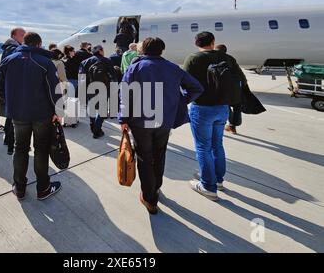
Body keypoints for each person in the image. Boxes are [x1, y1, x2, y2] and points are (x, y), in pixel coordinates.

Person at [119, 37, 203, 215]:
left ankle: (149, 198)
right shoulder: (173, 68)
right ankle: (155, 188)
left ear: (142, 50)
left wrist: (123, 119)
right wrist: (179, 101)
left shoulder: (135, 67)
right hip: (164, 121)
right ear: (162, 50)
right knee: (159, 155)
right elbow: (196, 88)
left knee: (144, 158)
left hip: (140, 122)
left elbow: (125, 95)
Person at [0, 32, 63, 201]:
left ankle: (19, 187)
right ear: (39, 45)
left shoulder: (8, 59)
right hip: (42, 114)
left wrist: (12, 102)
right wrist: (57, 111)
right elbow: (53, 90)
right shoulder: (45, 62)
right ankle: (43, 188)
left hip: (18, 114)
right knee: (41, 150)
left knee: (20, 149)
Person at [184, 32, 235, 201]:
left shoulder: (193, 59)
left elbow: (185, 83)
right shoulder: (226, 58)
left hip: (202, 108)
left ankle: (208, 186)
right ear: (213, 42)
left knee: (203, 147)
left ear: (196, 43)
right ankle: (218, 180)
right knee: (217, 145)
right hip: (222, 108)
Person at [79, 45, 118, 139]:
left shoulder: (84, 62)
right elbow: (113, 76)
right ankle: (97, 130)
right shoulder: (107, 61)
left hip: (89, 88)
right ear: (100, 51)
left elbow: (81, 78)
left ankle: (93, 126)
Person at [1, 28, 26, 155]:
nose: (23, 36)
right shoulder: (13, 49)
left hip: (10, 87)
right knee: (14, 117)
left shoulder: (11, 48)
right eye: (22, 34)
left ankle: (8, 140)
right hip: (14, 88)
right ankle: (11, 144)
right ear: (13, 36)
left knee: (10, 115)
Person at [215, 44, 248, 135]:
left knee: (226, 106)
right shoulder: (231, 58)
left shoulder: (214, 59)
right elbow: (239, 72)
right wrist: (244, 84)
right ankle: (233, 126)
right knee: (237, 107)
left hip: (223, 89)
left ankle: (224, 126)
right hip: (236, 88)